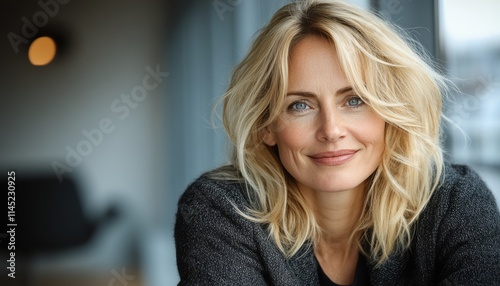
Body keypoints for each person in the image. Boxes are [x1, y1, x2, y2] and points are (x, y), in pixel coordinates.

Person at [174, 0, 500, 285]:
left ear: (391, 112)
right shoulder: (223, 211)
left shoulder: (454, 204)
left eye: (355, 100)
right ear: (266, 125)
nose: (331, 130)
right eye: (300, 105)